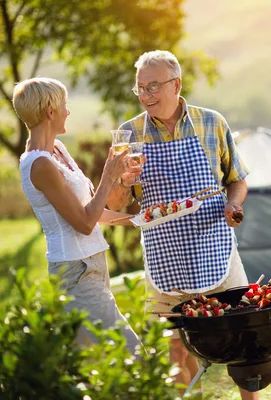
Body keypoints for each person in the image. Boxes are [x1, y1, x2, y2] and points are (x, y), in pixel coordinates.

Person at [106, 50, 257, 398]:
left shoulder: (212, 122)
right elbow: (115, 205)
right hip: (164, 257)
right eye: (140, 88)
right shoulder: (128, 134)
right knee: (175, 348)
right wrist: (124, 182)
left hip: (215, 247)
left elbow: (237, 179)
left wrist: (233, 205)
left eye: (154, 86)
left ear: (176, 84)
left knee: (245, 340)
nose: (146, 95)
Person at [14, 77, 142, 355]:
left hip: (94, 261)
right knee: (133, 354)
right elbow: (84, 224)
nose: (68, 111)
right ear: (50, 112)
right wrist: (109, 176)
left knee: (89, 363)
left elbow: (90, 211)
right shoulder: (39, 165)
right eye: (64, 105)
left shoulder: (57, 150)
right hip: (75, 271)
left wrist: (142, 220)